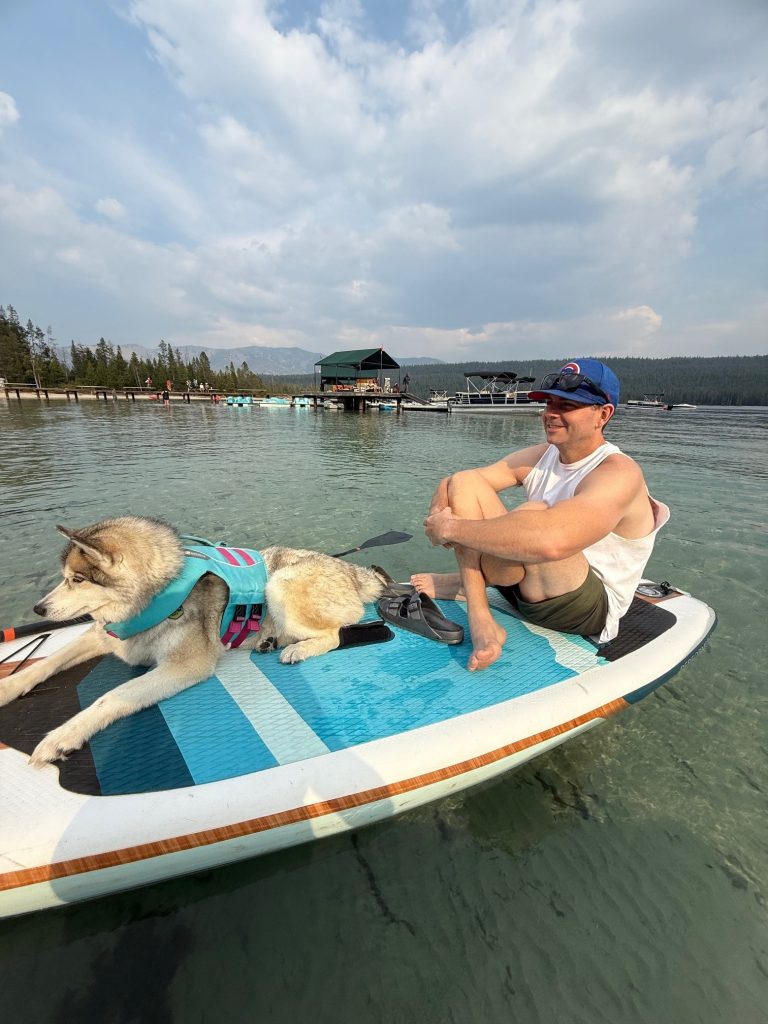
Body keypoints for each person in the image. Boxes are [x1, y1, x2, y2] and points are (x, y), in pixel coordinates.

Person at [412, 358, 669, 672]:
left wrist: (450, 528)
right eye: (549, 403)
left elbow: (552, 543)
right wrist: (441, 504)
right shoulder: (544, 455)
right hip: (526, 584)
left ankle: (468, 582)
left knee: (534, 515)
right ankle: (480, 614)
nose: (551, 413)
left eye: (567, 405)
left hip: (583, 609)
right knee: (466, 481)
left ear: (603, 414)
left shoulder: (618, 473)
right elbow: (459, 482)